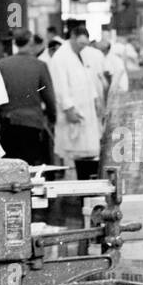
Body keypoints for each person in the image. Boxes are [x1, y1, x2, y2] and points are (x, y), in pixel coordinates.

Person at [49, 22, 102, 178]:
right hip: (72, 111)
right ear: (72, 37)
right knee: (74, 153)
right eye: (80, 44)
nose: (83, 47)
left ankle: (85, 184)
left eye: (85, 44)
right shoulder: (61, 57)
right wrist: (68, 108)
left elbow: (88, 79)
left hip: (87, 109)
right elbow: (60, 87)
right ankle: (75, 190)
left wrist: (96, 99)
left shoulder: (81, 55)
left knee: (88, 151)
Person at [0, 30, 57, 165]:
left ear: (15, 43)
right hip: (33, 123)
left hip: (8, 122)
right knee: (30, 164)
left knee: (10, 166)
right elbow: (49, 96)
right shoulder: (40, 66)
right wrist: (52, 117)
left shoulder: (2, 64)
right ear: (31, 42)